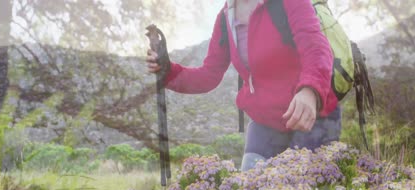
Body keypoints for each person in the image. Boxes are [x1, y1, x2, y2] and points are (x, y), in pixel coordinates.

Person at [146, 0, 341, 171]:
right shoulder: (225, 18)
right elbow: (209, 75)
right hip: (267, 122)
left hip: (313, 116)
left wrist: (309, 90)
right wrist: (168, 71)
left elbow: (316, 47)